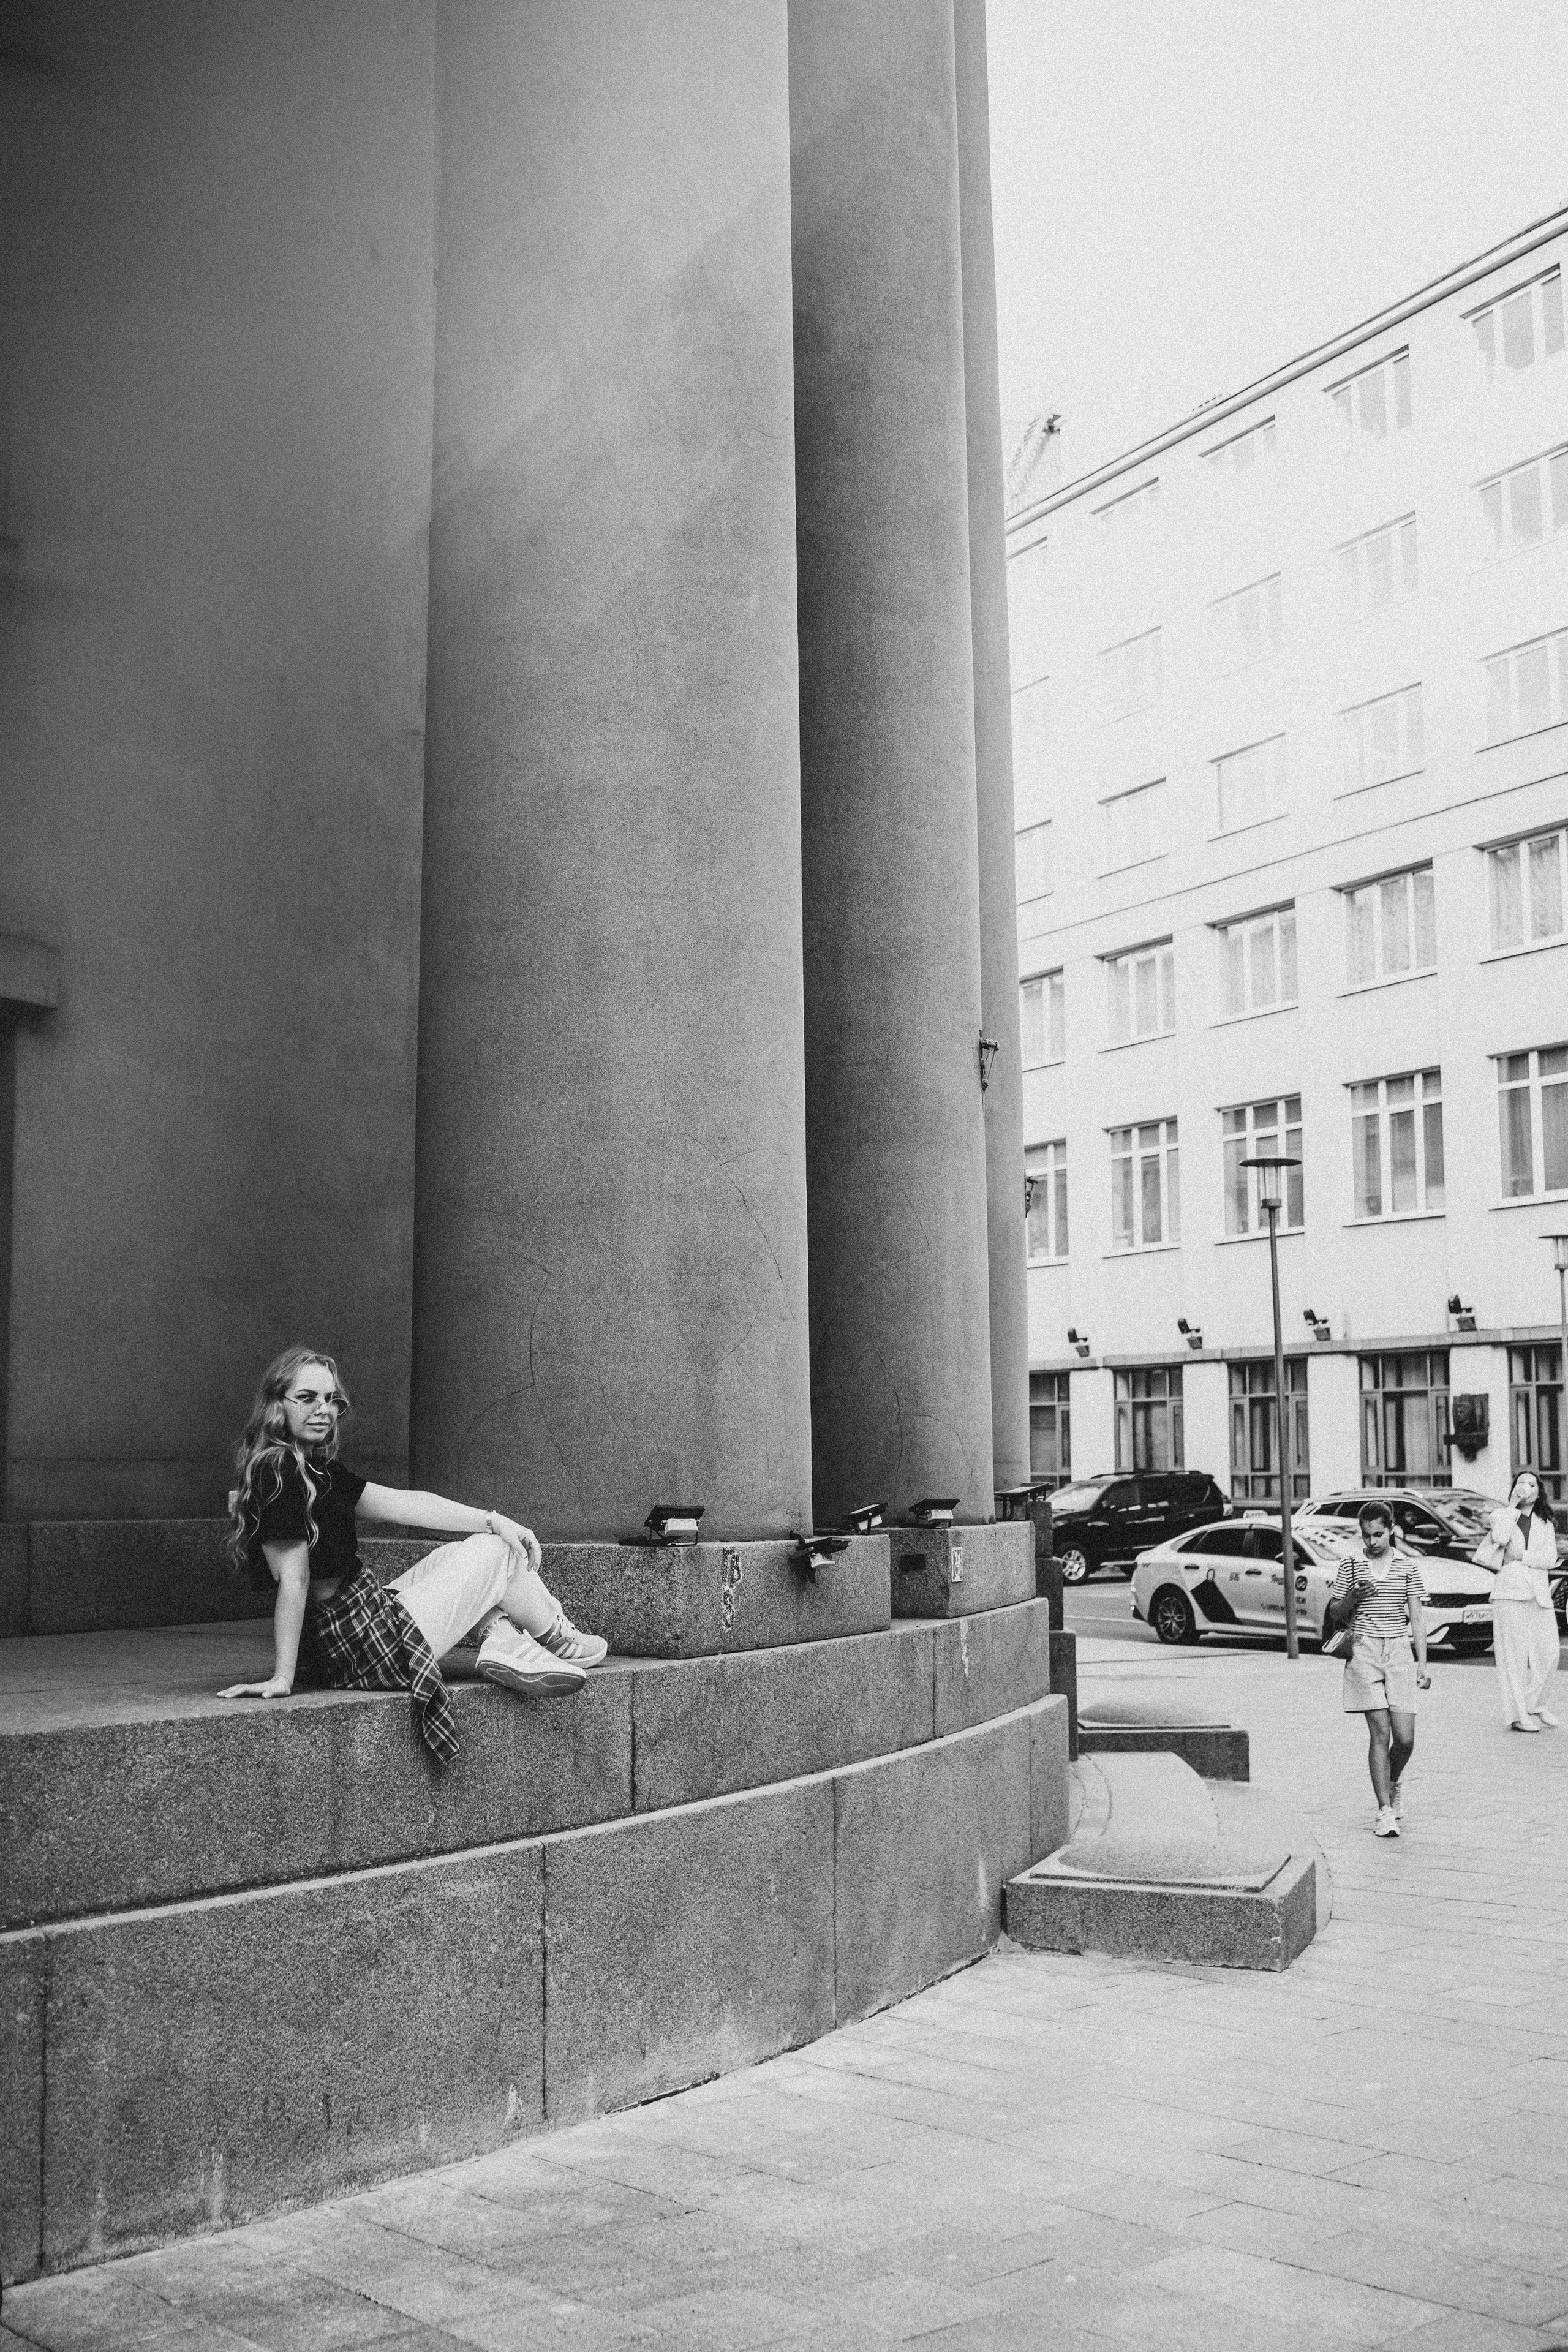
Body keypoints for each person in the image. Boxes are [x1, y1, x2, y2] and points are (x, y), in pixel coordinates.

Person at [218, 1345, 606, 1762]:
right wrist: (283, 1677)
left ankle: (501, 1638)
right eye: (307, 1398)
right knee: (495, 1552)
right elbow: (294, 1580)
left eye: (331, 1399)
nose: (323, 1410)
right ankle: (548, 1635)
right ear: (278, 1404)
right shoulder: (277, 1470)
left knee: (464, 1550)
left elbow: (407, 1504)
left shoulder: (316, 1470)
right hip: (362, 1645)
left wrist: (493, 1518)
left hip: (356, 1630)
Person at [1326, 1499, 1431, 1839]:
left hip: (1399, 1651)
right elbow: (1335, 1613)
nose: (1372, 1542)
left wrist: (1422, 1664)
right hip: (1364, 1650)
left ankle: (1393, 1781)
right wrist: (1354, 1597)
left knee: (1405, 1739)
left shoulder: (1407, 1566)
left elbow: (1416, 1616)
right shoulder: (1351, 1565)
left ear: (1391, 1530)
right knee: (1380, 1733)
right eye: (1367, 1536)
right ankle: (1384, 1811)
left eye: (1379, 1535)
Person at [1488, 1469, 1561, 1733]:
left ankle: (1535, 1703)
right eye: (1521, 1483)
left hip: (1539, 1594)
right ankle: (1518, 1715)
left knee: (1550, 1653)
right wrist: (1512, 1506)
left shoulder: (1545, 1521)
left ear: (1539, 1491)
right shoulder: (1503, 1515)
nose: (1526, 1487)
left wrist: (1523, 1556)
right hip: (1509, 1592)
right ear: (1514, 1487)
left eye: (1532, 1484)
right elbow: (1499, 1539)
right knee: (1513, 1658)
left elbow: (1550, 1559)